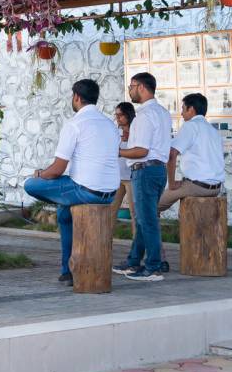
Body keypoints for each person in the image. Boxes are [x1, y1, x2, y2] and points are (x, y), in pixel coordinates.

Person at [23, 79, 120, 287]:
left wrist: (40, 174)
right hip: (111, 192)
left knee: (30, 185)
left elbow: (57, 169)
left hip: (84, 191)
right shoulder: (110, 125)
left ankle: (68, 270)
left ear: (76, 97)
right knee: (63, 212)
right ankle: (67, 270)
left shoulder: (75, 124)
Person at [114, 72, 172, 281]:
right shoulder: (163, 112)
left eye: (131, 86)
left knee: (147, 220)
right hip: (158, 170)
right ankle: (133, 261)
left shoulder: (145, 115)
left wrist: (117, 151)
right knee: (142, 219)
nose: (129, 90)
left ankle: (154, 266)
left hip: (144, 170)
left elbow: (141, 150)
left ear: (141, 87)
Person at [161, 93, 225, 209]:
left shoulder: (190, 126)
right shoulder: (213, 131)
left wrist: (171, 183)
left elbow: (171, 155)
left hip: (197, 187)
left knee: (152, 205)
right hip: (215, 188)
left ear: (191, 109)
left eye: (183, 109)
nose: (181, 113)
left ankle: (149, 226)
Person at [111, 102, 137, 225]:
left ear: (128, 114)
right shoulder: (115, 131)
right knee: (110, 211)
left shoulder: (138, 130)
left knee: (134, 213)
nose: (117, 118)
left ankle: (137, 243)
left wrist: (130, 137)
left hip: (132, 176)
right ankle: (106, 242)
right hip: (117, 177)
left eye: (120, 115)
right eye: (116, 115)